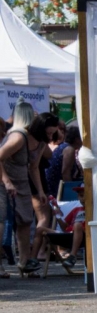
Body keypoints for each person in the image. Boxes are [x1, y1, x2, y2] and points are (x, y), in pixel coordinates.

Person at [0, 103, 50, 276]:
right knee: (1, 222)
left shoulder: (34, 139)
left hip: (22, 184)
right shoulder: (18, 137)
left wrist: (40, 191)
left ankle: (24, 262)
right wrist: (6, 181)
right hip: (4, 185)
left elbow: (33, 167)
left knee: (25, 221)